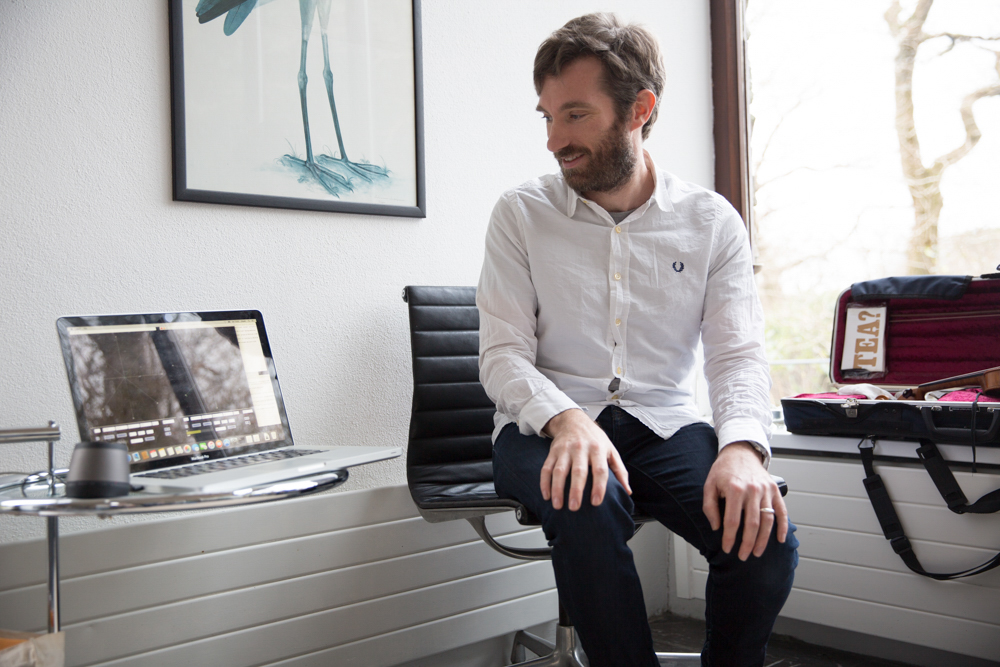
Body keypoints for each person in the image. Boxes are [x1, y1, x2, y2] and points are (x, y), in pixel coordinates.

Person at [476, 13, 799, 667]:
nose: (554, 141)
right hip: (542, 429)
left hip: (664, 424)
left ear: (639, 109)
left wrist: (742, 447)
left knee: (764, 538)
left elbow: (736, 354)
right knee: (587, 503)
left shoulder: (711, 222)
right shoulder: (520, 214)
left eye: (575, 115)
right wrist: (567, 420)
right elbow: (502, 354)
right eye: (547, 118)